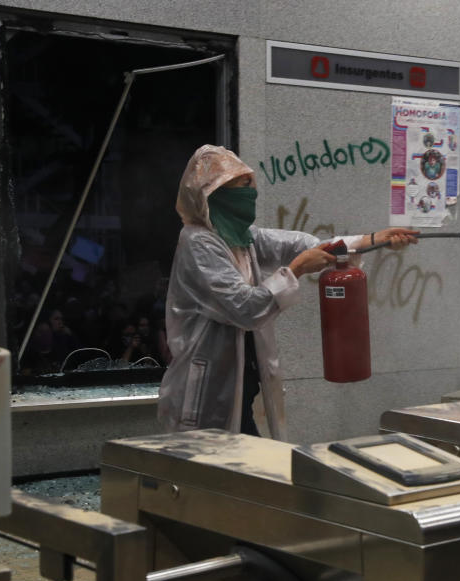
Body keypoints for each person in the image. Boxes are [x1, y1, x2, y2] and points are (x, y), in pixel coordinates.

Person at [158, 145, 417, 439]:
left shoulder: (242, 237)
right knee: (213, 475)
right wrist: (295, 271)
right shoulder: (198, 242)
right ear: (214, 193)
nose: (250, 193)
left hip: (244, 383)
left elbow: (308, 246)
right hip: (207, 392)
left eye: (249, 184)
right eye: (241, 186)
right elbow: (244, 308)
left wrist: (373, 239)